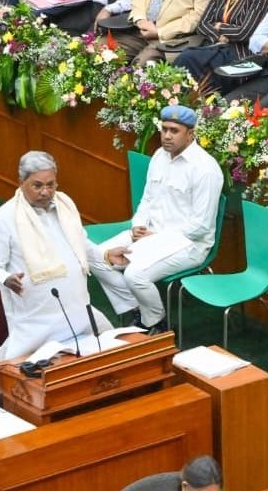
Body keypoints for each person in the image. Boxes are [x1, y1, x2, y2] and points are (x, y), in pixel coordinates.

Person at [92, 105, 223, 334]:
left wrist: (156, 238)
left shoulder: (205, 169)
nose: (167, 136)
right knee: (97, 258)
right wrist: (137, 226)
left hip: (188, 244)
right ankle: (137, 308)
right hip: (149, 233)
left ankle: (155, 322)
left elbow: (201, 225)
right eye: (164, 129)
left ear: (191, 134)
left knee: (135, 273)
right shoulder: (159, 156)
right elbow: (147, 200)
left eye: (174, 130)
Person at [0, 151, 114, 363]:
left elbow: (80, 243)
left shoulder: (65, 205)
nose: (45, 192)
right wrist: (5, 279)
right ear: (21, 182)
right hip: (37, 321)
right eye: (37, 185)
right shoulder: (3, 218)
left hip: (78, 311)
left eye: (51, 185)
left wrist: (105, 254)